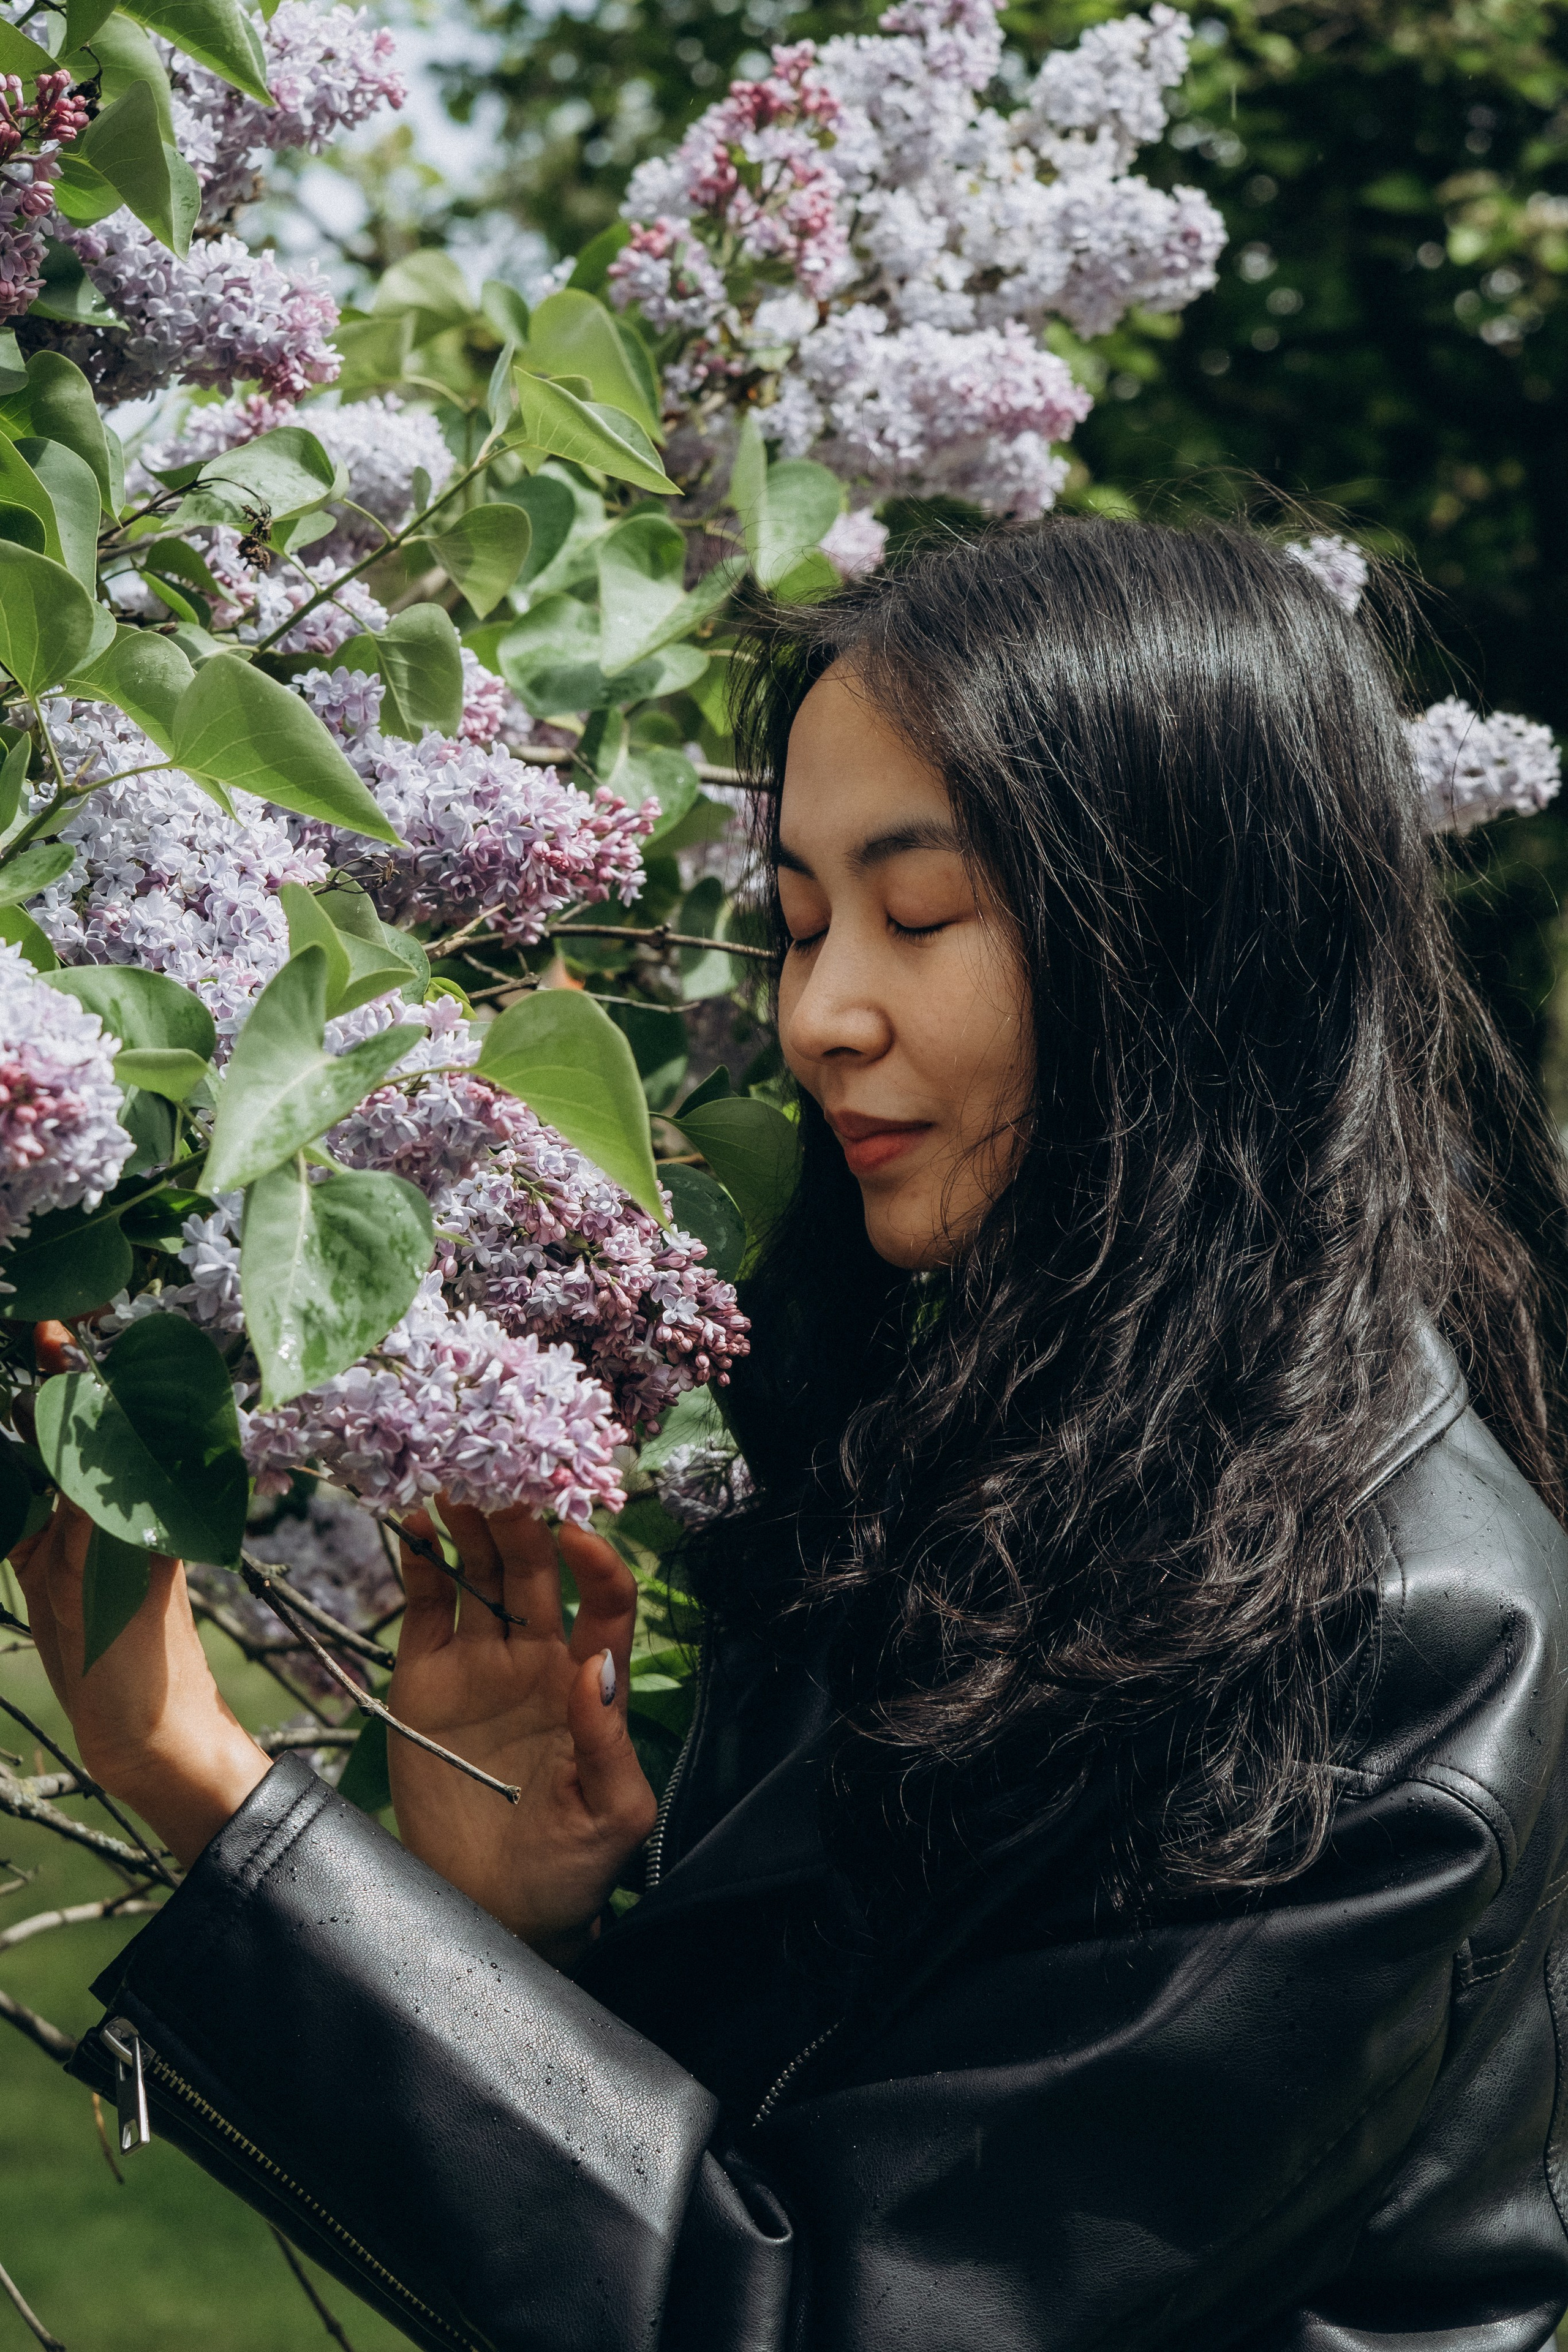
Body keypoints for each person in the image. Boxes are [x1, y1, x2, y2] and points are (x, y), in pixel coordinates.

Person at [16, 516, 1568, 2352]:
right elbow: (816, 2144)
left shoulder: (1393, 1632)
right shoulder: (1000, 1445)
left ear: (1192, 932)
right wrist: (527, 1940)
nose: (821, 1014)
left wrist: (204, 1784)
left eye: (920, 915)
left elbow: (827, 2316)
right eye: (804, 920)